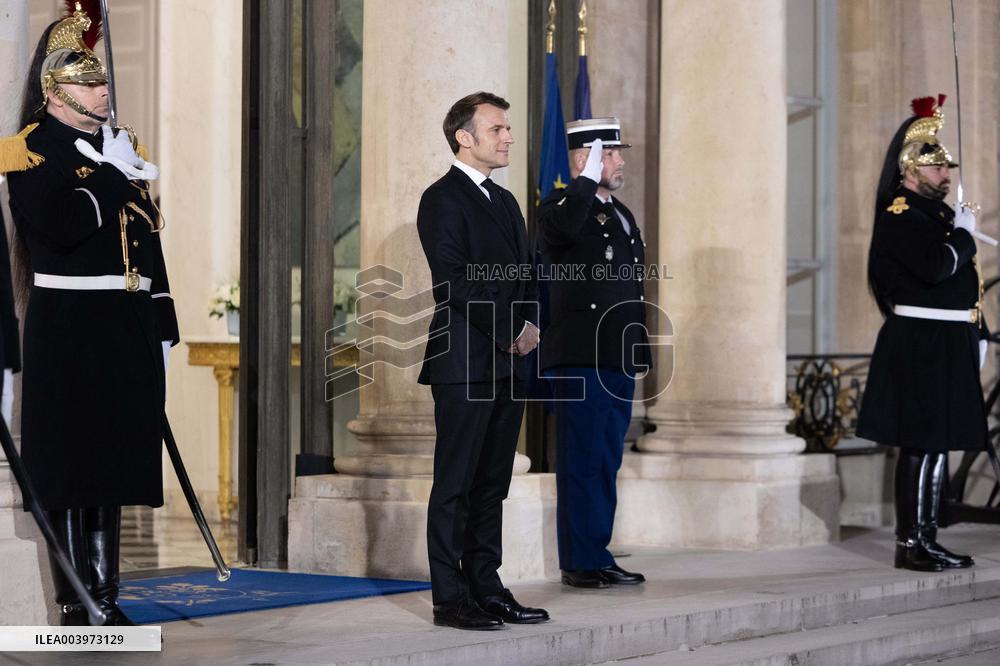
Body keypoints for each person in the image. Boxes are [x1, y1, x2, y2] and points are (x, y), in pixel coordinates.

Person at [1, 4, 178, 625]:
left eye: (103, 82)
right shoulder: (29, 151)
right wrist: (106, 170)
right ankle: (76, 606)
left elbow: (148, 235)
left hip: (124, 317)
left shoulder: (122, 148)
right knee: (71, 466)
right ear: (55, 91)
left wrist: (161, 310)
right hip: (68, 319)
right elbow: (62, 226)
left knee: (112, 462)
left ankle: (107, 599)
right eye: (89, 82)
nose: (103, 91)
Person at [416, 91, 547, 630]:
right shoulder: (440, 198)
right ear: (464, 137)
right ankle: (450, 598)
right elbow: (453, 281)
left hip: (508, 361)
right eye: (497, 129)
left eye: (507, 128)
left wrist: (533, 324)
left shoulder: (507, 201)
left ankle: (486, 587)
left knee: (493, 483)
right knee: (456, 484)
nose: (508, 136)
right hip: (464, 361)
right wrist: (512, 328)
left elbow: (529, 272)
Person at [856, 95, 984, 573]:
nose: (945, 175)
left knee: (938, 444)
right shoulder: (900, 213)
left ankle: (928, 535)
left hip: (946, 339)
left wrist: (979, 333)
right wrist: (965, 237)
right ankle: (909, 542)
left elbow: (961, 285)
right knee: (920, 441)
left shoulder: (937, 216)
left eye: (946, 167)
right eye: (936, 168)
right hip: (920, 341)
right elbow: (935, 268)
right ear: (911, 171)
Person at [536, 118, 649, 589]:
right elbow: (558, 233)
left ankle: (597, 552)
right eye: (612, 153)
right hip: (582, 357)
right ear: (586, 159)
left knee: (606, 459)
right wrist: (584, 181)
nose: (621, 161)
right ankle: (579, 561)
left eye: (619, 153)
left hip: (617, 354)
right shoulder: (562, 205)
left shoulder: (620, 211)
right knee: (581, 459)